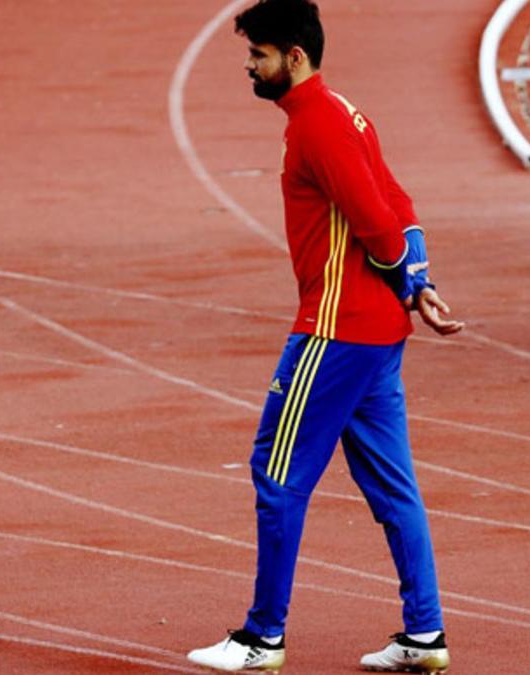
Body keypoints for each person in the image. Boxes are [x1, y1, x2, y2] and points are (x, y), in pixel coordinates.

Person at [185, 0, 463, 672]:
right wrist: (414, 284)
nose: (251, 68)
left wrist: (402, 271)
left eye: (259, 56)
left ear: (295, 57)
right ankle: (424, 633)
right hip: (375, 334)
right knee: (393, 485)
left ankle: (261, 637)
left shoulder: (317, 128)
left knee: (277, 473)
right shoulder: (344, 112)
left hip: (334, 333)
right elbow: (401, 203)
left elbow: (378, 220)